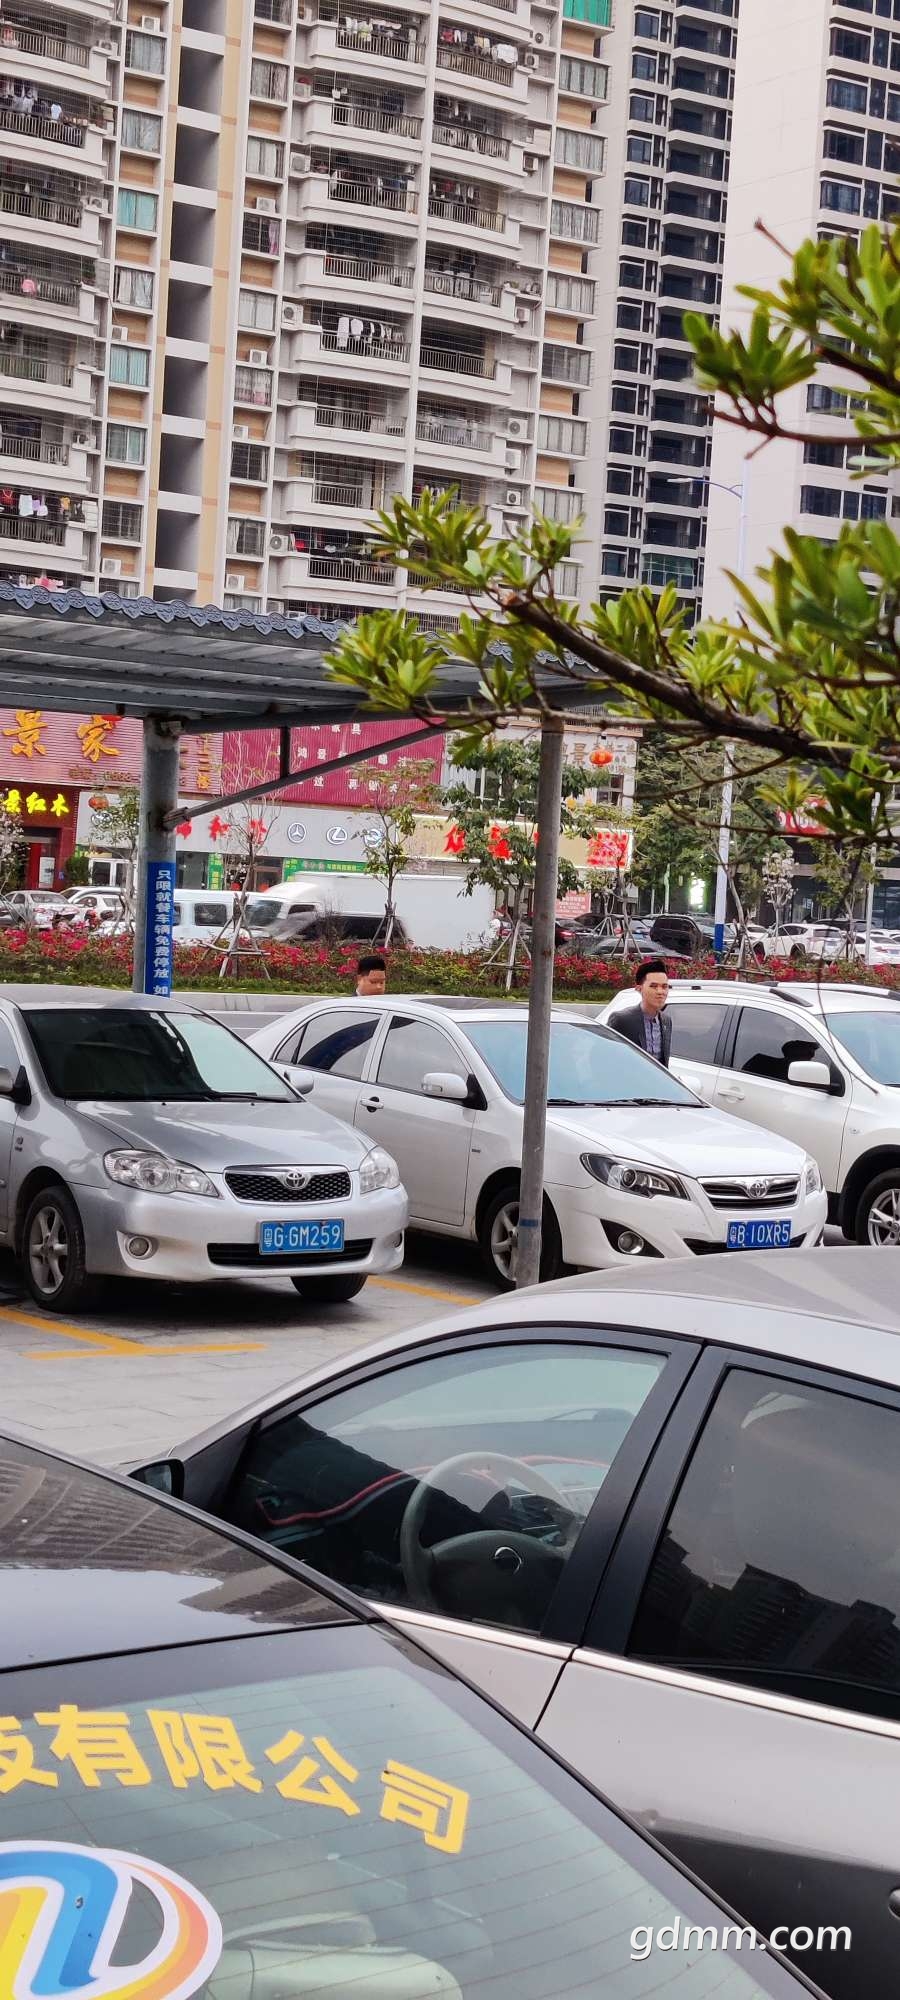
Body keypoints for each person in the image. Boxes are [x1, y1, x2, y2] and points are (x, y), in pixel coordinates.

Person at [612, 958, 671, 1067]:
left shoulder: (666, 1021)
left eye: (664, 986)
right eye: (653, 986)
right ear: (639, 989)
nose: (660, 992)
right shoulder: (622, 1020)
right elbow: (606, 1056)